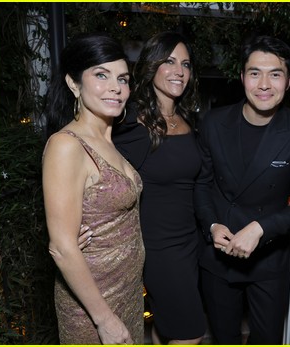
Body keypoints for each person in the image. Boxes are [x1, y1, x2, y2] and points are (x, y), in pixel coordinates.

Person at [194, 35, 290, 344]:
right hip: (218, 256)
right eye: (255, 73)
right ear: (242, 77)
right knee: (224, 338)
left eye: (275, 74)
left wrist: (261, 229)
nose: (264, 84)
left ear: (289, 80)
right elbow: (202, 184)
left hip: (269, 260)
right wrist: (212, 225)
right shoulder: (212, 122)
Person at [42, 33, 144, 344]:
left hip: (128, 292)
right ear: (74, 83)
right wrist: (104, 320)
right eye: (101, 75)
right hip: (94, 305)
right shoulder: (66, 145)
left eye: (123, 79)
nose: (116, 87)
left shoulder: (110, 140)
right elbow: (61, 246)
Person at [111, 31, 206, 344]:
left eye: (186, 64)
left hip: (190, 242)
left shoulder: (188, 118)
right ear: (152, 66)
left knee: (165, 326)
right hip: (159, 247)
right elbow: (102, 177)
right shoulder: (133, 124)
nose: (179, 70)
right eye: (169, 61)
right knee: (191, 332)